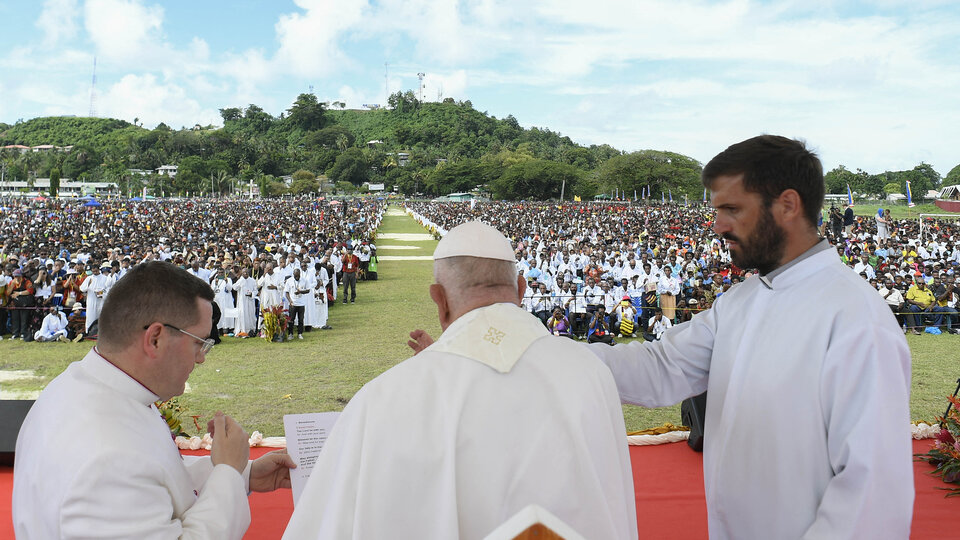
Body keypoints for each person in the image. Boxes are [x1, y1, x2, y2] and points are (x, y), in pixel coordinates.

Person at [587, 136, 913, 539]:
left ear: (787, 205)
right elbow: (660, 368)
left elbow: (872, 498)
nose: (718, 225)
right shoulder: (741, 300)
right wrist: (541, 350)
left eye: (732, 209)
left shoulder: (857, 320)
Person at [284, 221, 636, 540]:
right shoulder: (591, 373)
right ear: (521, 288)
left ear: (439, 300)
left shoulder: (384, 399)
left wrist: (436, 369)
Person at [13, 261, 296, 539]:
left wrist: (242, 473)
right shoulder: (107, 461)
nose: (201, 358)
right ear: (156, 339)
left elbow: (154, 474)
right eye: (200, 343)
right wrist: (227, 475)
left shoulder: (84, 386)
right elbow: (131, 469)